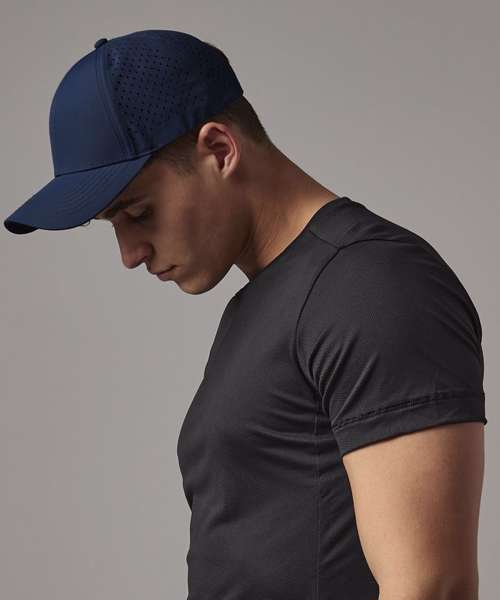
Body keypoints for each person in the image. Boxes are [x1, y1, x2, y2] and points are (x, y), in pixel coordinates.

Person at [4, 29, 487, 600]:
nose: (129, 254)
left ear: (219, 150)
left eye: (139, 213)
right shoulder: (270, 300)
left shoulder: (374, 286)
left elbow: (432, 584)